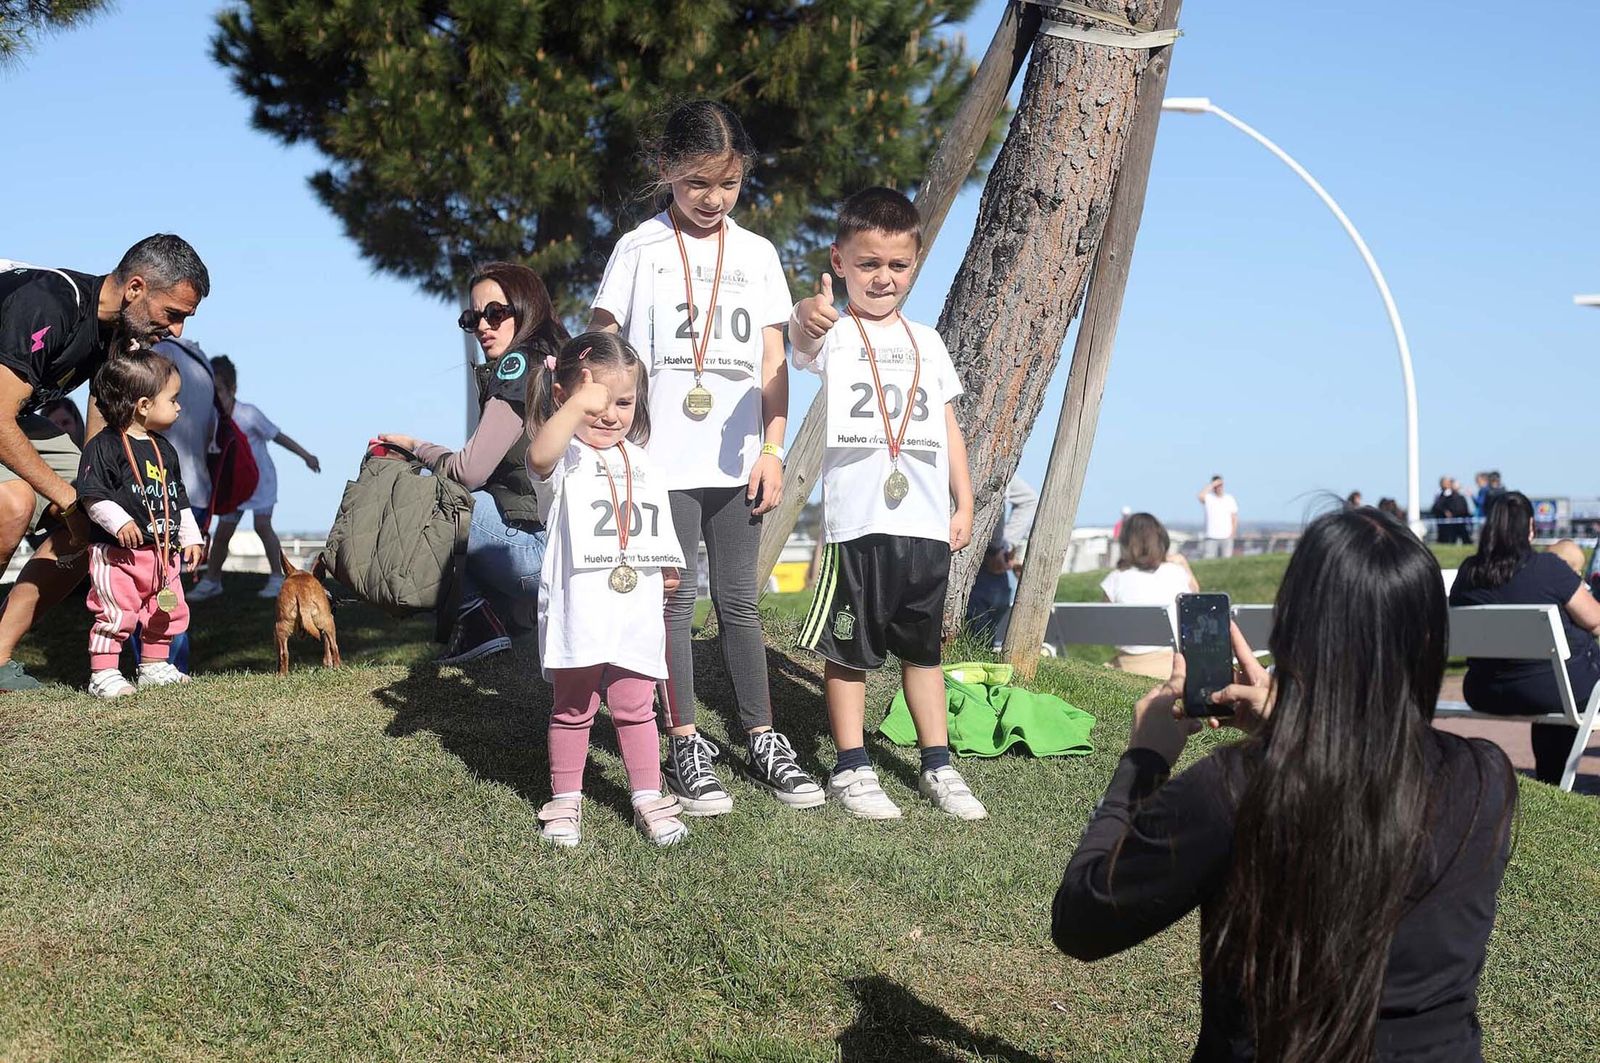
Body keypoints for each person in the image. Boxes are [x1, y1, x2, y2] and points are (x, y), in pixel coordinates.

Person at [1055, 507, 1516, 1061]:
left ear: (1295, 627)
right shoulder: (1487, 779)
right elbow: (1364, 772)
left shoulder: (1232, 789)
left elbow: (1082, 922)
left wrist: (1143, 761)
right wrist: (1294, 719)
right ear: (1428, 637)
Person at [589, 99, 822, 815]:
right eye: (697, 185)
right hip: (659, 461)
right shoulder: (639, 248)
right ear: (668, 171)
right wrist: (610, 435)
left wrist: (775, 447)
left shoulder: (756, 255)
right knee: (673, 601)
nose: (713, 199)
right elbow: (601, 341)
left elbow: (775, 360)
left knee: (740, 601)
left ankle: (762, 735)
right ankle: (685, 739)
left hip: (739, 461)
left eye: (728, 185)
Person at [789, 186, 985, 822]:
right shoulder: (836, 333)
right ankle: (851, 766)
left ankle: (938, 764)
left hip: (923, 523)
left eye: (897, 266)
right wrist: (808, 314)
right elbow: (801, 339)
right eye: (868, 263)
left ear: (916, 263)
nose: (883, 278)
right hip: (858, 522)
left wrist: (965, 498)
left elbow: (948, 422)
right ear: (839, 260)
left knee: (921, 650)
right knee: (848, 649)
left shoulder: (928, 341)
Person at [0, 235, 208, 691]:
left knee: (98, 524)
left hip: (14, 415)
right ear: (135, 288)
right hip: (1, 413)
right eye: (172, 315)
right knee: (13, 504)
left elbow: (100, 444)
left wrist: (91, 504)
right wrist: (68, 501)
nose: (177, 333)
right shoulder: (50, 303)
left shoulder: (119, 336)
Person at [525, 331, 688, 847]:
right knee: (574, 707)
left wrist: (666, 565)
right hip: (581, 609)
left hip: (634, 609)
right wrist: (577, 407)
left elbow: (654, 520)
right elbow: (538, 456)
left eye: (623, 402)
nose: (611, 415)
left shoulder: (641, 460)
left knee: (637, 704)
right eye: (598, 402)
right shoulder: (565, 458)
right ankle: (566, 798)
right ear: (562, 398)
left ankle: (646, 792)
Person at [379, 262, 569, 663]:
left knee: (434, 497)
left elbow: (469, 471)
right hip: (569, 553)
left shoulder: (518, 369)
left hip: (538, 558)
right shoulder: (555, 363)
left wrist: (417, 446)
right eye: (472, 317)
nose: (483, 325)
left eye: (496, 313)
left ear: (526, 307)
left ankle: (478, 622)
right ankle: (508, 622)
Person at [75, 351, 206, 697]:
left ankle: (153, 665)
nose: (179, 407)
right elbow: (92, 495)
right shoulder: (103, 447)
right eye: (173, 399)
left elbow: (177, 499)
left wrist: (191, 537)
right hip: (119, 555)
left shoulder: (165, 450)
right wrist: (119, 523)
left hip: (162, 555)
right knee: (116, 612)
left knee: (166, 612)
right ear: (144, 405)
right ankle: (103, 673)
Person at [1449, 490, 1599, 785]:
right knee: (1561, 679)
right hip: (1553, 690)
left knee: (1551, 679)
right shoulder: (1549, 568)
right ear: (1531, 526)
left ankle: (1550, 778)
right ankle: (1553, 779)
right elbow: (1595, 621)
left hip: (1484, 690)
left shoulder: (1469, 571)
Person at [189, 357, 320, 601]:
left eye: (218, 389)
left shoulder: (248, 414)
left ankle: (277, 577)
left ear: (232, 389)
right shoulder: (211, 418)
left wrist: (306, 456)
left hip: (260, 480)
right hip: (234, 484)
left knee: (262, 525)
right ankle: (212, 580)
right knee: (223, 532)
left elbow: (278, 436)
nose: (214, 396)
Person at [1099, 513, 1197, 679]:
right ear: (1162, 541)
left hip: (1129, 665)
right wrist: (1182, 562)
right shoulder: (1176, 573)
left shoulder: (1115, 579)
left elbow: (1106, 623)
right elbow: (1195, 596)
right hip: (1173, 666)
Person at [965, 474, 1038, 649]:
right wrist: (1005, 545)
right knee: (982, 640)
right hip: (994, 567)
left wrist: (998, 547)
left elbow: (1028, 500)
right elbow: (1029, 500)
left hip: (985, 563)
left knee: (977, 638)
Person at [1196, 475, 1237, 559]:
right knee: (1208, 559)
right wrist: (1212, 485)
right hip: (1211, 536)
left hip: (1226, 536)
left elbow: (1234, 517)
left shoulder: (1229, 499)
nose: (1219, 488)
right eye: (1217, 486)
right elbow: (1200, 496)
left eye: (1220, 485)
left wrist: (1232, 533)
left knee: (1227, 559)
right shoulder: (1209, 498)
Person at [1430, 475, 1472, 544]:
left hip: (1459, 520)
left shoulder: (1458, 496)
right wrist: (1445, 511)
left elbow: (1462, 508)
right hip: (1446, 524)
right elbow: (1436, 507)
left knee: (1464, 538)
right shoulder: (1441, 495)